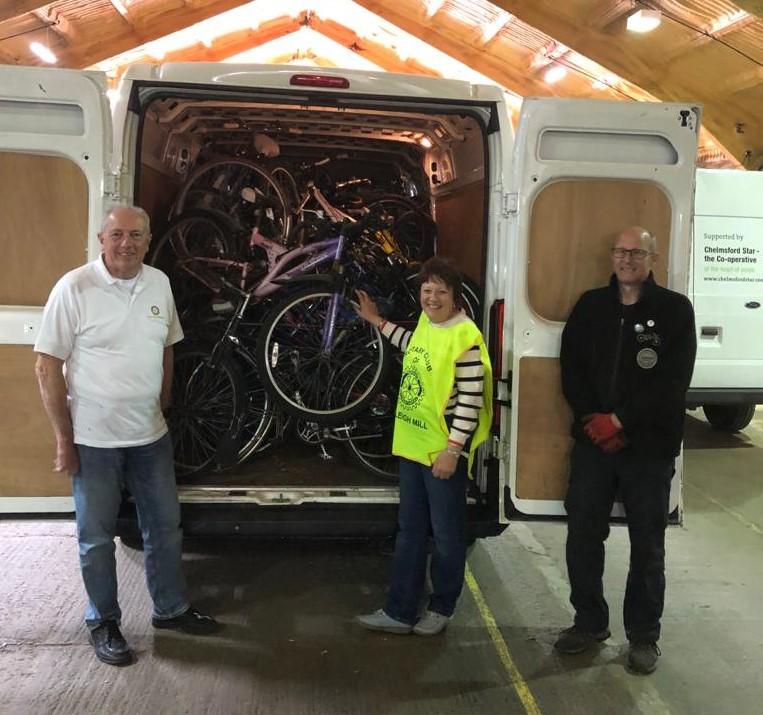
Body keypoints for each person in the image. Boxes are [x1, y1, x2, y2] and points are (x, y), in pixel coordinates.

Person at [34, 205, 219, 667]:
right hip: (93, 440)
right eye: (116, 234)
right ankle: (104, 621)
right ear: (100, 238)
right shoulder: (74, 287)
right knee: (95, 537)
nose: (126, 243)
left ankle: (171, 609)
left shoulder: (159, 283)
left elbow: (168, 347)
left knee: (164, 529)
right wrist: (63, 437)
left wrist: (164, 400)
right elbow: (46, 366)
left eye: (136, 235)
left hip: (149, 437)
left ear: (148, 238)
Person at [555, 226, 696, 674]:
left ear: (653, 258)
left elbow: (673, 382)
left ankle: (643, 636)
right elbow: (571, 368)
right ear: (612, 257)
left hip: (648, 449)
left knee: (648, 545)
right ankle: (589, 622)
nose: (627, 258)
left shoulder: (675, 311)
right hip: (594, 444)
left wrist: (620, 421)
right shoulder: (591, 306)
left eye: (637, 251)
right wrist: (592, 421)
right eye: (620, 251)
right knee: (582, 537)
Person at [353, 257, 492, 636]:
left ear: (455, 296)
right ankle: (399, 611)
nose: (432, 298)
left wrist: (453, 450)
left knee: (447, 536)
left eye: (440, 292)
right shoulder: (427, 326)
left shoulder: (465, 336)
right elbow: (409, 341)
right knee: (410, 531)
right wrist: (376, 320)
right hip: (414, 448)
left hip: (441, 452)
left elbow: (470, 399)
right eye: (427, 290)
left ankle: (441, 608)